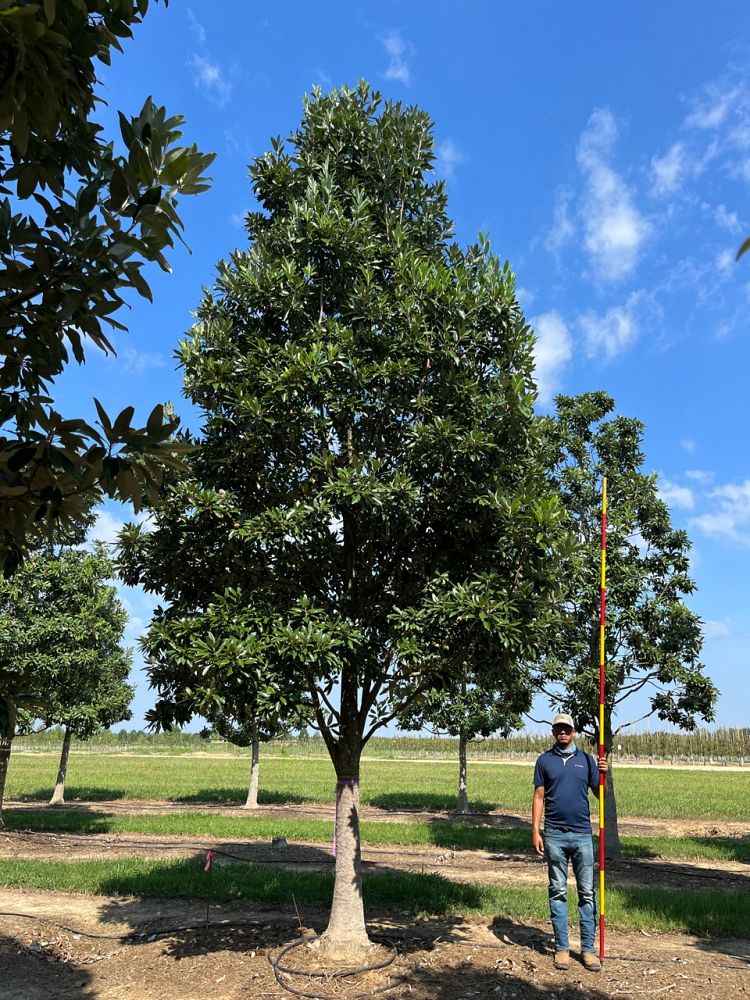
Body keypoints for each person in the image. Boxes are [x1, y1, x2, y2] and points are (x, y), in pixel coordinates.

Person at [531, 713, 608, 973]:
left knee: (587, 893)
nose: (562, 732)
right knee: (558, 891)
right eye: (558, 729)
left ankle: (588, 950)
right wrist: (535, 830)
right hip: (554, 834)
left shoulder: (587, 760)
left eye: (566, 728)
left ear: (574, 731)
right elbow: (539, 797)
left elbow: (600, 795)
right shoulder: (545, 761)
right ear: (553, 732)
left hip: (582, 836)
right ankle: (562, 948)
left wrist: (603, 777)